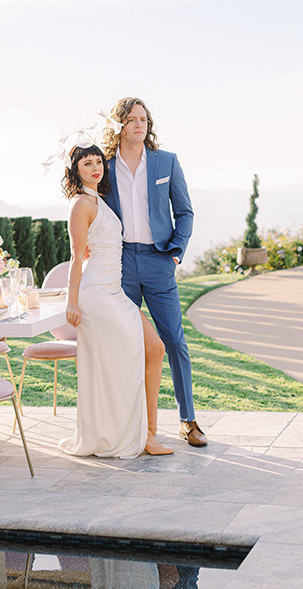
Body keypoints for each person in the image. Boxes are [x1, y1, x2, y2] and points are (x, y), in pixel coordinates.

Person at [102, 97, 207, 447]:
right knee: (127, 343)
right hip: (120, 263)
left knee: (174, 341)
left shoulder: (167, 162)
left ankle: (188, 420)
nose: (139, 124)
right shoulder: (103, 165)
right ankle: (131, 424)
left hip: (159, 260)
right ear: (118, 125)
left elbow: (185, 212)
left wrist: (175, 254)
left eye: (143, 119)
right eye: (131, 119)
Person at [59, 144, 173, 458]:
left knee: (155, 347)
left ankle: (147, 432)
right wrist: (72, 302)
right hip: (95, 294)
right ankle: (141, 436)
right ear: (76, 170)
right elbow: (76, 256)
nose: (96, 167)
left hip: (114, 291)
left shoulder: (100, 201)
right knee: (133, 353)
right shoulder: (82, 204)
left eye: (98, 162)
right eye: (87, 163)